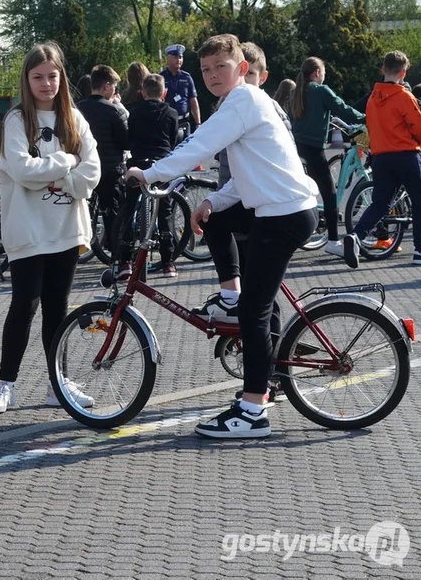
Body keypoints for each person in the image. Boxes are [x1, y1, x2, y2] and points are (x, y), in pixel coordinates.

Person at [127, 34, 317, 439]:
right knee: (213, 222)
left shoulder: (243, 101)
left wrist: (149, 173)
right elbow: (255, 170)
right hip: (278, 209)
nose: (213, 76)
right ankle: (232, 299)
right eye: (206, 69)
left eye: (221, 67)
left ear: (242, 69)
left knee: (255, 312)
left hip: (283, 217)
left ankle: (252, 412)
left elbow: (199, 146)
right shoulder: (244, 102)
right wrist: (213, 200)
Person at [0, 42, 101, 414]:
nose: (46, 83)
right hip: (28, 230)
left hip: (66, 228)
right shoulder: (16, 121)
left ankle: (57, 384)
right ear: (27, 80)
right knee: (24, 305)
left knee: (58, 310)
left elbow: (92, 172)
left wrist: (59, 178)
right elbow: (21, 170)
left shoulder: (75, 119)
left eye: (52, 76)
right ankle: (6, 385)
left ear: (61, 77)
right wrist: (66, 161)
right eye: (38, 77)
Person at [342, 51, 421, 267]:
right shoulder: (405, 97)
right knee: (419, 199)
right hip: (406, 155)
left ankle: (356, 236)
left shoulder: (372, 99)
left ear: (382, 69)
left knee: (380, 203)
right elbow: (418, 127)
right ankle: (420, 251)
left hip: (380, 158)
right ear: (403, 73)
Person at [288, 57, 365, 259]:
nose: (324, 76)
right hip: (314, 149)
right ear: (317, 73)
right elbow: (343, 109)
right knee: (329, 195)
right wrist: (367, 117)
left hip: (297, 147)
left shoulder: (296, 92)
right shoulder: (321, 91)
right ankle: (333, 241)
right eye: (323, 72)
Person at [118, 73, 179, 277]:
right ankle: (168, 261)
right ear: (164, 92)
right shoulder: (171, 113)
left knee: (129, 208)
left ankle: (125, 260)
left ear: (142, 93)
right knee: (165, 211)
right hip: (161, 165)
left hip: (139, 165)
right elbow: (172, 140)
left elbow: (130, 137)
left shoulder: (134, 112)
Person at [77, 65, 128, 249]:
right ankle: (116, 252)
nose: (115, 91)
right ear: (106, 86)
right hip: (110, 169)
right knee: (113, 211)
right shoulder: (113, 110)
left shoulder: (78, 110)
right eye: (114, 86)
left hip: (84, 168)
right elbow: (125, 141)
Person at [160, 44, 201, 136]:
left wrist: (198, 122)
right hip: (168, 122)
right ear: (168, 58)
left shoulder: (186, 77)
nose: (178, 60)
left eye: (180, 57)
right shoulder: (161, 78)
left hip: (184, 122)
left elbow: (193, 100)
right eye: (175, 57)